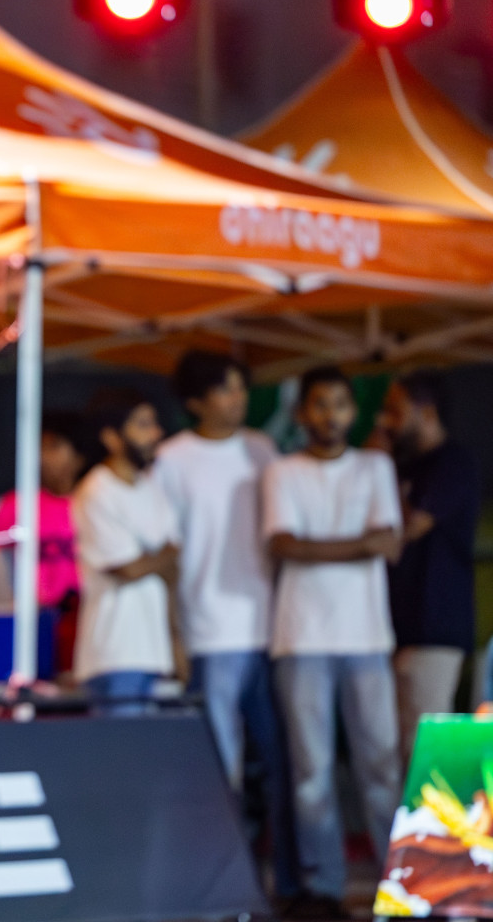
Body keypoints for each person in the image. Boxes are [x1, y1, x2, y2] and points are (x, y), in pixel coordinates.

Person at [154, 351, 298, 901]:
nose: (237, 399)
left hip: (275, 630)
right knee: (221, 772)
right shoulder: (172, 460)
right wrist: (176, 636)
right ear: (195, 402)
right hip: (210, 631)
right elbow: (168, 555)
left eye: (241, 388)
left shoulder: (263, 451)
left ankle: (288, 885)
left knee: (283, 765)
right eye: (225, 390)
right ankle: (225, 889)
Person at [264, 366, 402, 919]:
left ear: (353, 411)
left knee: (383, 767)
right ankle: (325, 888)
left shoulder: (376, 466)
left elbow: (389, 544)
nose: (331, 416)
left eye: (341, 404)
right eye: (320, 405)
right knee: (311, 773)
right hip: (301, 638)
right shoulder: (282, 471)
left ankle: (401, 881)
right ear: (302, 414)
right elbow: (283, 546)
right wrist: (359, 544)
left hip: (367, 636)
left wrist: (319, 546)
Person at [377, 372, 477, 765]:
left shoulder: (453, 462)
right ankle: (414, 829)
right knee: (403, 749)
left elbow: (409, 528)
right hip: (398, 631)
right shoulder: (405, 468)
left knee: (432, 751)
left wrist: (379, 464)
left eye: (394, 411)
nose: (385, 421)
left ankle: (440, 829)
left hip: (437, 629)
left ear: (427, 412)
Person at [72, 388, 179, 715]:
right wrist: (162, 557)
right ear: (112, 437)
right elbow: (127, 568)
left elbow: (171, 565)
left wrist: (177, 641)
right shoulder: (96, 491)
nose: (156, 434)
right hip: (114, 653)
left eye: (155, 424)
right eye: (143, 425)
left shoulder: (152, 488)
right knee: (119, 761)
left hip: (154, 650)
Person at [0, 412, 89, 673]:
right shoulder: (19, 504)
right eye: (41, 447)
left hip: (87, 621)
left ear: (79, 456)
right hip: (36, 623)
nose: (43, 456)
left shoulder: (94, 501)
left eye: (54, 447)